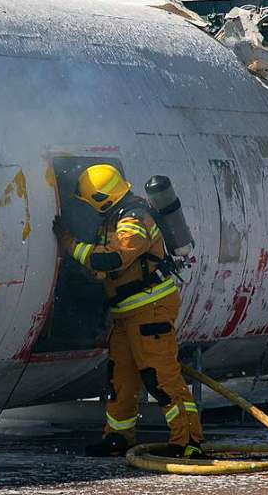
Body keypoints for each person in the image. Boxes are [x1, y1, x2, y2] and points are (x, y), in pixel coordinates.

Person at [52, 163, 204, 458]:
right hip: (126, 313)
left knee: (161, 377)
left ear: (102, 199)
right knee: (120, 378)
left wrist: (70, 245)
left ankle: (188, 441)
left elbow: (113, 259)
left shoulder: (133, 218)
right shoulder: (113, 219)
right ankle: (118, 436)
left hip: (150, 309)